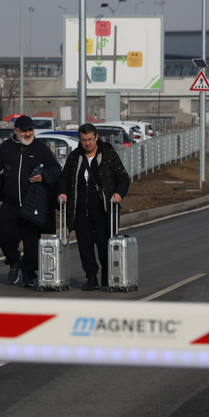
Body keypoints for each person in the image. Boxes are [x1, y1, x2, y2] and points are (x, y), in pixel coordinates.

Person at [0, 116, 61, 287]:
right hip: (10, 204)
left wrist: (45, 176)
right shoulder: (6, 148)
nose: (28, 133)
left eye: (30, 130)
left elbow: (55, 168)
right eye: (24, 130)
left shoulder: (40, 149)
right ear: (15, 131)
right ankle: (14, 261)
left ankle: (28, 275)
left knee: (32, 244)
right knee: (4, 238)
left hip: (32, 205)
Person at [57, 123, 131, 291]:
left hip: (104, 210)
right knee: (85, 246)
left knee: (104, 244)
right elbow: (63, 178)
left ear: (96, 137)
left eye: (90, 139)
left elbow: (123, 178)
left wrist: (119, 194)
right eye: (83, 140)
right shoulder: (75, 157)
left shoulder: (108, 155)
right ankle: (91, 277)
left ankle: (107, 273)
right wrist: (62, 193)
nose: (87, 143)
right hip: (80, 211)